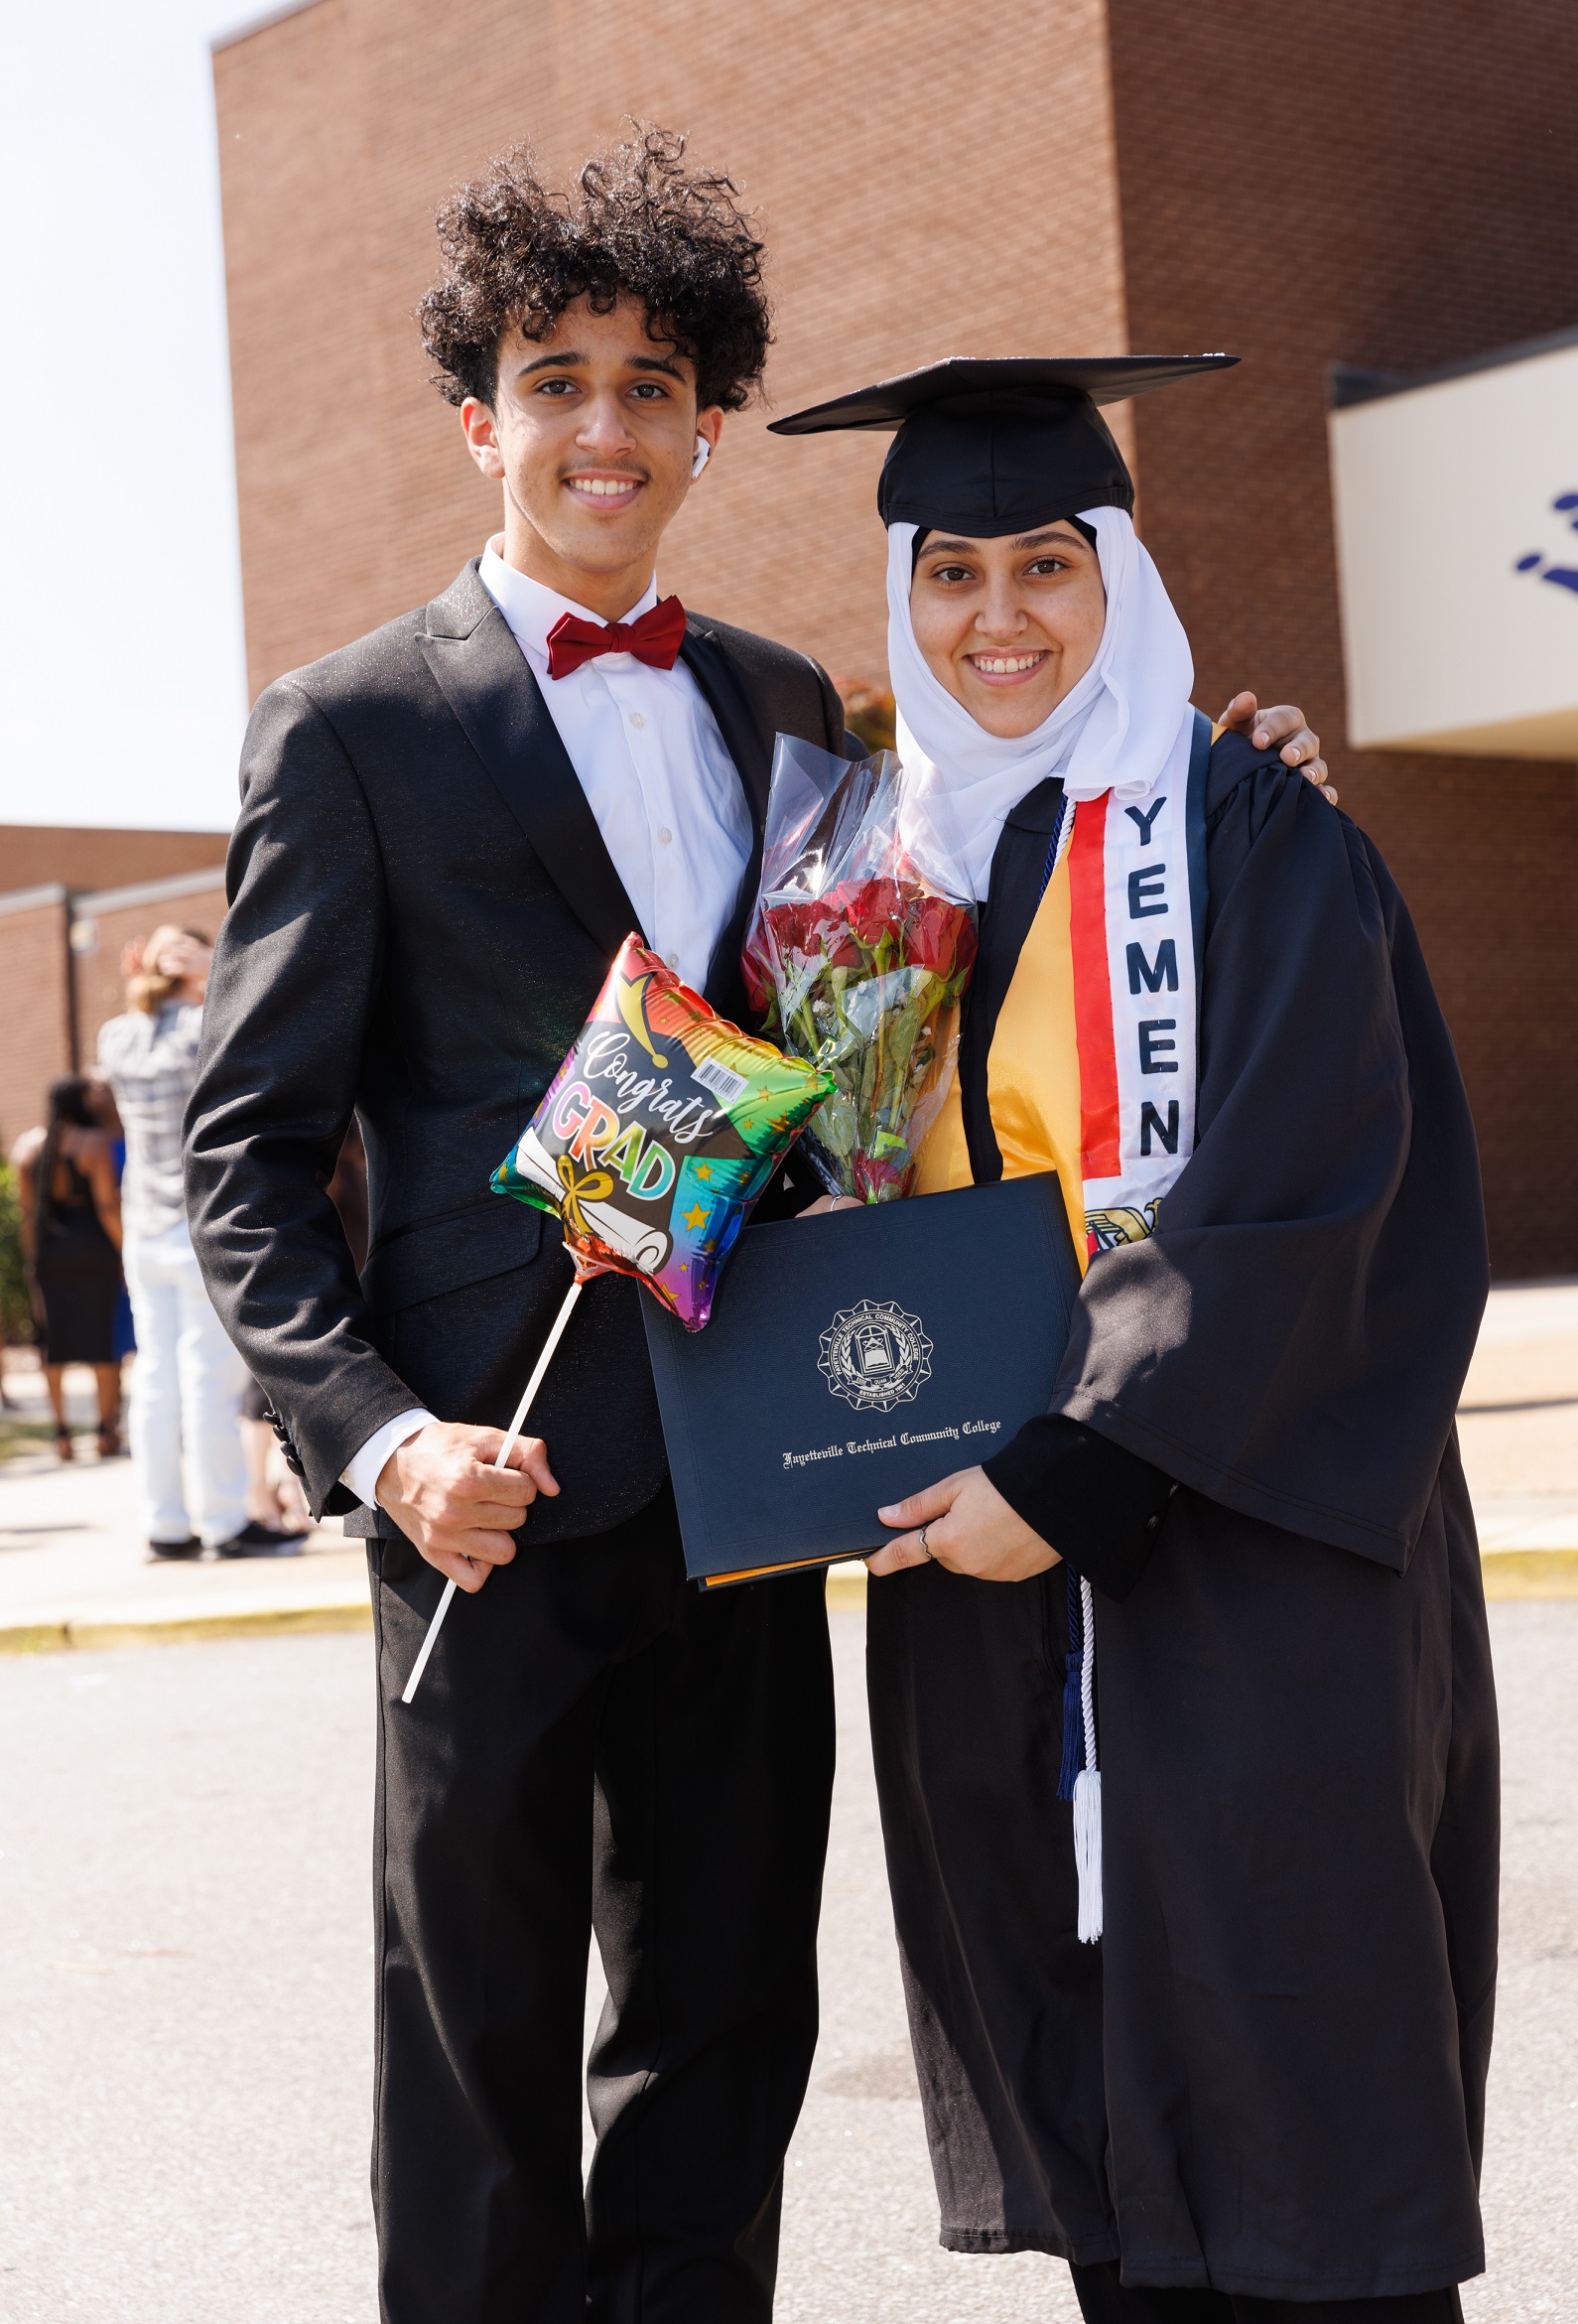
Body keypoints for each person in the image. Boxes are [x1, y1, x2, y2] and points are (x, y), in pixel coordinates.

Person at [183, 132, 1329, 2324]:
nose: (601, 428)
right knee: (478, 2046)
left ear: (709, 423)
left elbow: (932, 986)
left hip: (749, 1464)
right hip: (487, 1497)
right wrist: (377, 1439)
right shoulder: (341, 728)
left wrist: (1225, 779)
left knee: (724, 2025)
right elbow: (241, 1150)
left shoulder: (789, 706)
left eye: (646, 384)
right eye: (555, 381)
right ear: (478, 418)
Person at [770, 356, 1496, 2322]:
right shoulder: (849, 885)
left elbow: (1311, 1185)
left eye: (1041, 565)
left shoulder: (1245, 830)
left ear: (1117, 576)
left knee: (1304, 2170)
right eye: (946, 574)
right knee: (1110, 2185)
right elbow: (792, 1220)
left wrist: (1070, 1472)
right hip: (986, 1609)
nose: (994, 620)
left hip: (1241, 1571)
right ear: (898, 599)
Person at [97, 926, 291, 1561]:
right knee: (207, 1377)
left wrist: (151, 979)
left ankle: (166, 1525)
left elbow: (142, 1017)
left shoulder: (118, 1035)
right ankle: (225, 1523)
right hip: (195, 1220)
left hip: (144, 1226)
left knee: (155, 1378)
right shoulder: (200, 1027)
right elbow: (249, 1024)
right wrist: (217, 969)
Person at [11, 1077, 124, 1459]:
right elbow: (108, 1206)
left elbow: (28, 1215)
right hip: (95, 1250)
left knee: (53, 1345)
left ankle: (61, 1434)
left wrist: (33, 1261)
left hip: (49, 1253)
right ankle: (104, 1431)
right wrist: (125, 1250)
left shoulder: (28, 1146)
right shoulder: (93, 1143)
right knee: (101, 1342)